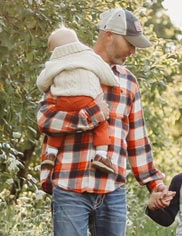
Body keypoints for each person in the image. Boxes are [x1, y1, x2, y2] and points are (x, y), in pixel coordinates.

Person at [35, 7, 175, 236]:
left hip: (112, 190)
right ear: (108, 35)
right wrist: (89, 118)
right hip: (70, 186)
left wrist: (155, 183)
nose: (133, 50)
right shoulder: (70, 67)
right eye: (130, 43)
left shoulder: (127, 81)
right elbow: (44, 119)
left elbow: (136, 138)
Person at [35, 27, 120, 175]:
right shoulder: (89, 56)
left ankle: (51, 153)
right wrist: (115, 81)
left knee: (57, 131)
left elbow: (42, 83)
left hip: (62, 100)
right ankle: (101, 155)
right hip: (85, 99)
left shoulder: (54, 62)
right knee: (101, 125)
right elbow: (107, 75)